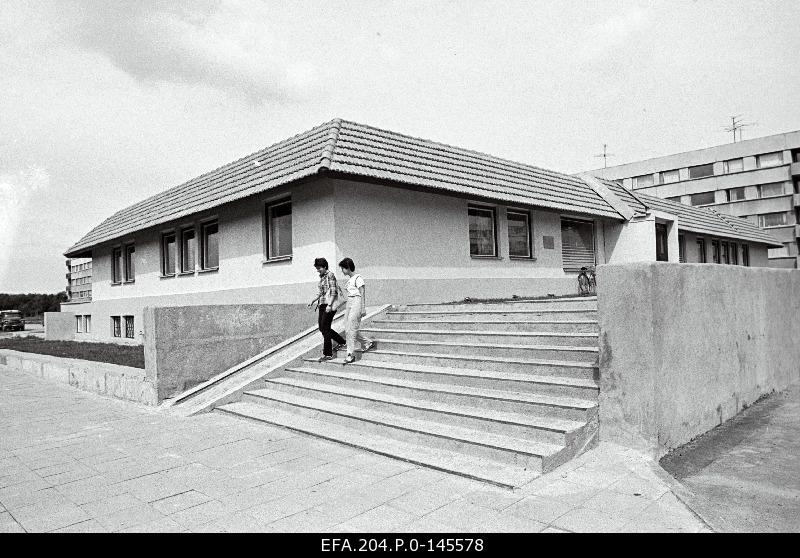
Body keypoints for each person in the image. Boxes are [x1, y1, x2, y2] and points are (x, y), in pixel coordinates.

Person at [308, 257, 346, 362]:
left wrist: (329, 305)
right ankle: (342, 342)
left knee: (325, 328)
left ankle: (328, 354)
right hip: (322, 304)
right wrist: (313, 300)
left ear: (325, 267)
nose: (318, 270)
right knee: (322, 328)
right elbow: (321, 292)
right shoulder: (322, 277)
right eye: (317, 268)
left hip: (329, 305)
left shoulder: (330, 275)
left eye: (319, 268)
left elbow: (334, 292)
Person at [338, 257, 374, 364]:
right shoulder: (349, 281)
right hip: (350, 302)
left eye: (343, 269)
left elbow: (362, 292)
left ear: (348, 267)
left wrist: (363, 307)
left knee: (351, 329)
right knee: (348, 329)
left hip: (356, 302)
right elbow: (347, 296)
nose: (342, 271)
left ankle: (350, 354)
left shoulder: (358, 278)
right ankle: (367, 342)